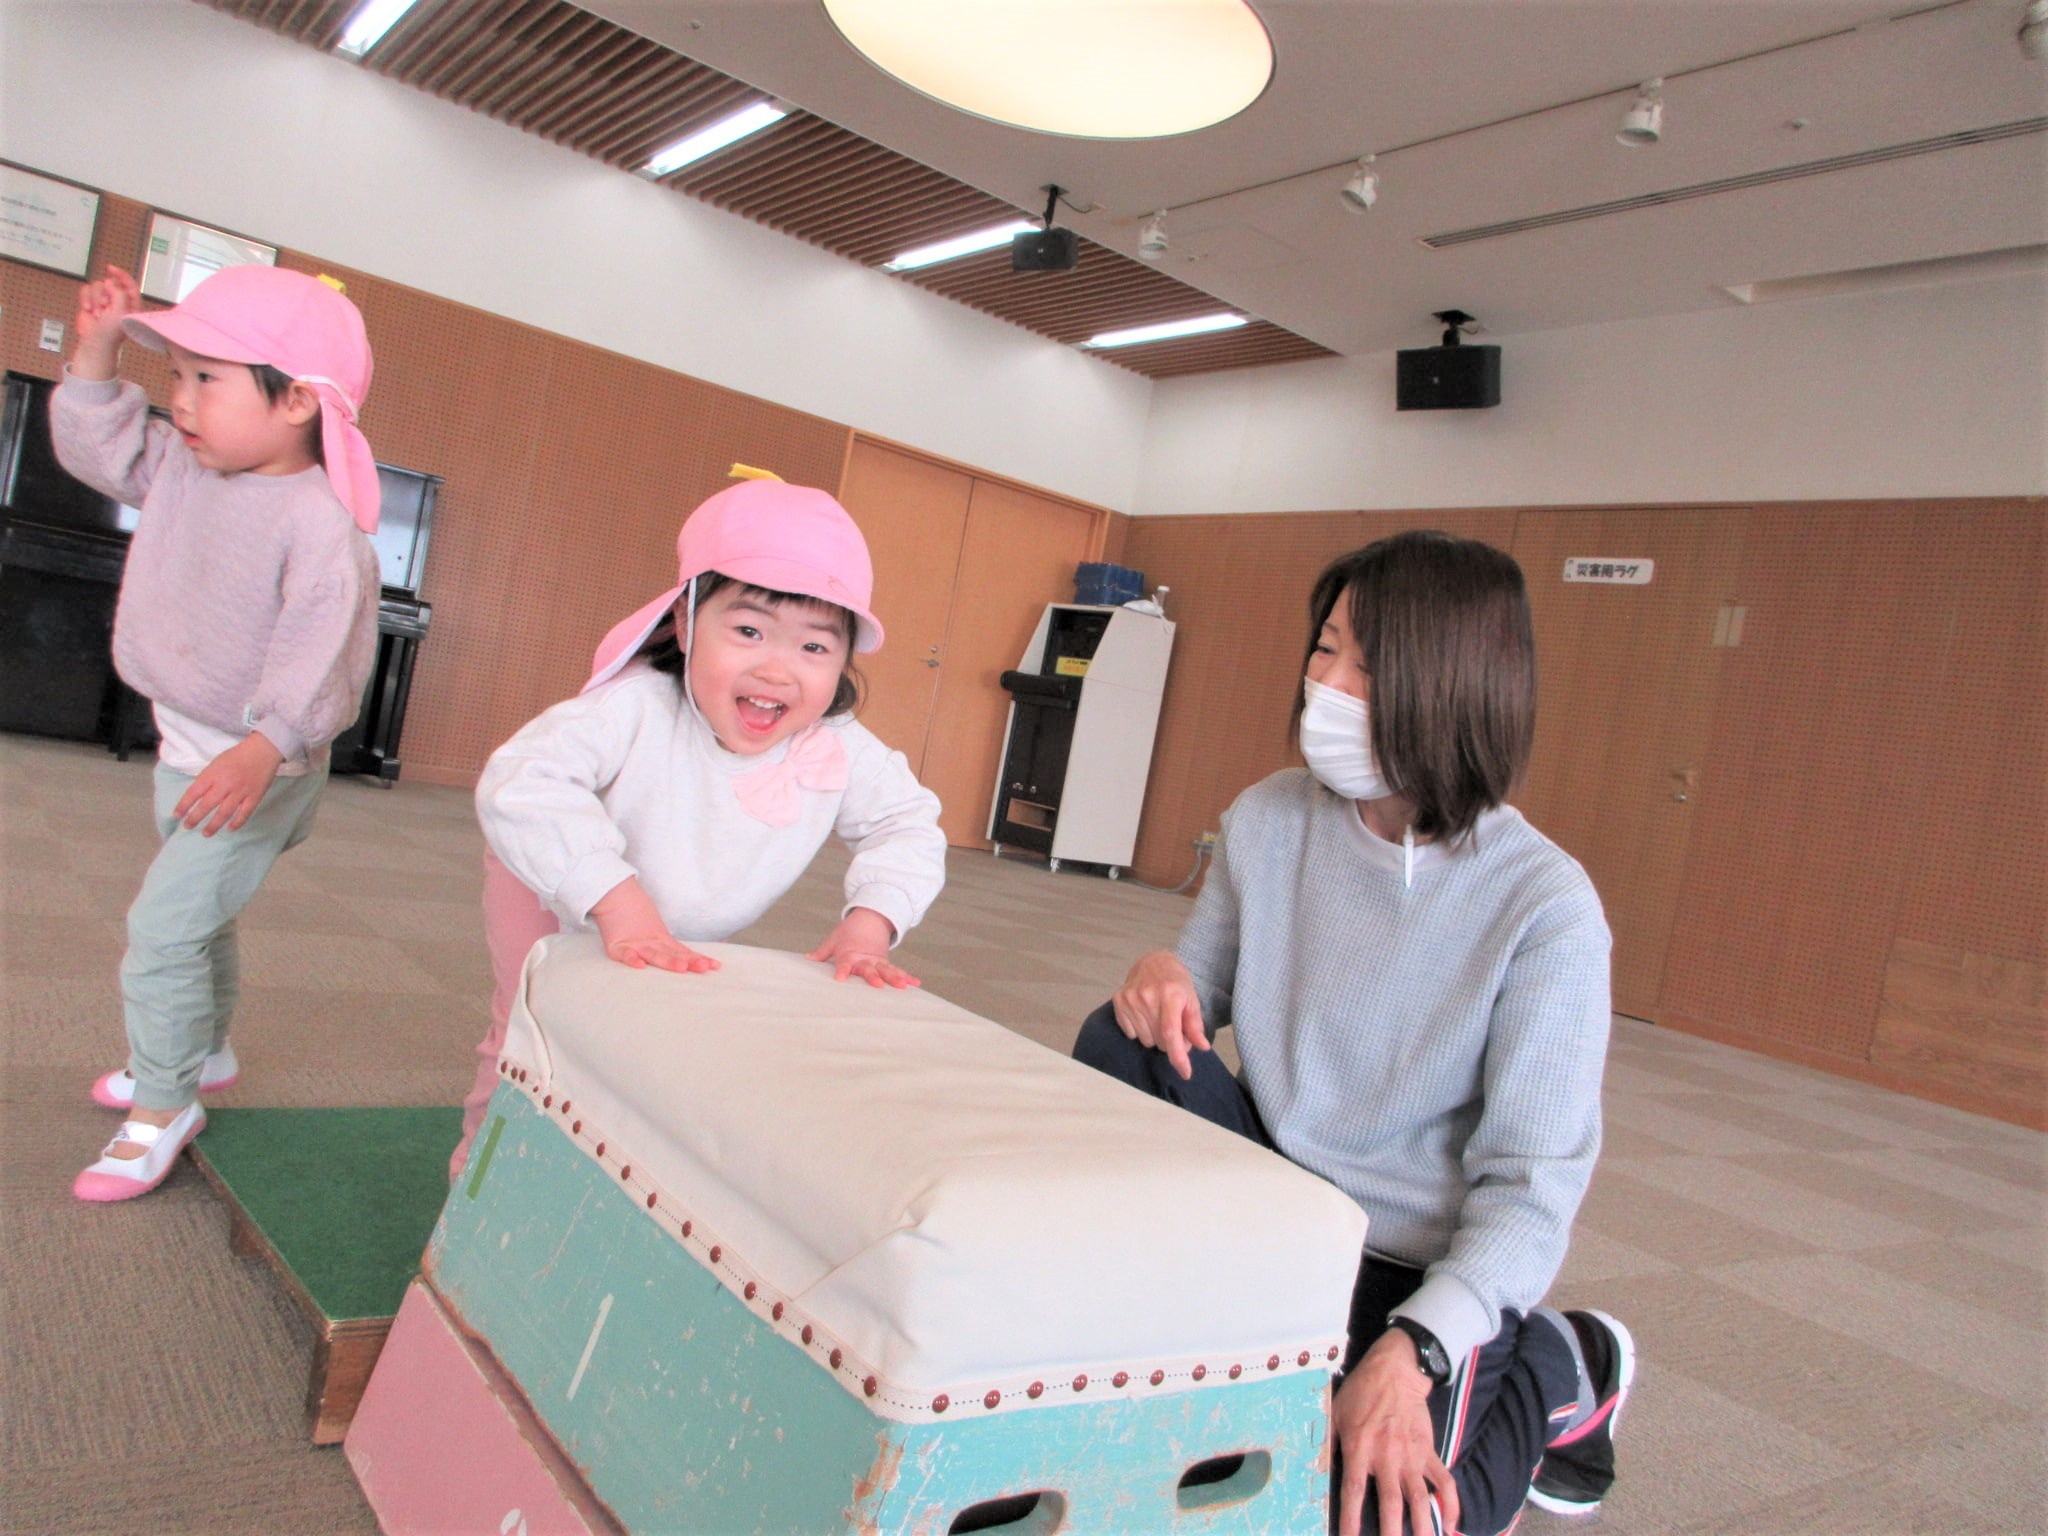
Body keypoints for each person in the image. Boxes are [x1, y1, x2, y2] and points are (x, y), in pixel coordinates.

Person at [1075, 531, 1633, 1536]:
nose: (1323, 685)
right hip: (1278, 1201)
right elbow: (1200, 989)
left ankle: (1560, 1362)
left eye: (1366, 666)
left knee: (1381, 1516)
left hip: (1414, 1266)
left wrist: (1413, 1354)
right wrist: (1162, 973)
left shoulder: (1544, 907)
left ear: (1452, 688)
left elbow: (1532, 1187)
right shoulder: (1267, 816)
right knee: (1120, 1041)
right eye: (1324, 648)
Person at [453, 478, 947, 1176]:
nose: (777, 669)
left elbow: (908, 822)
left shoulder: (837, 745)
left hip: (683, 908)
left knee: (645, 1037)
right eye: (748, 631)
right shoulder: (635, 707)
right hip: (550, 882)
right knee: (534, 1034)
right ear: (685, 626)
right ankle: (478, 1186)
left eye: (815, 647)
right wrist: (615, 900)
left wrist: (873, 922)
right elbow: (522, 782)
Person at [55, 264, 383, 1201]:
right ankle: (204, 1050)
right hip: (189, 744)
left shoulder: (321, 525)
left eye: (208, 378)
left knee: (161, 930)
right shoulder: (183, 465)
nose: (182, 400)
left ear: (297, 402)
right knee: (201, 916)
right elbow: (98, 449)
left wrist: (264, 747)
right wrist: (96, 349)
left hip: (258, 766)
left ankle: (164, 1105)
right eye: (178, 375)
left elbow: (323, 656)